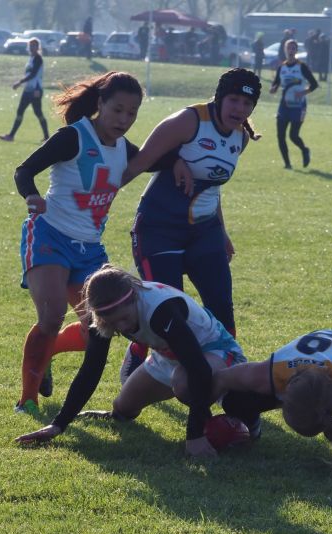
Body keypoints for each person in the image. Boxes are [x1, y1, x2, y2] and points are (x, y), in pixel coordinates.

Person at [10, 72, 149, 415]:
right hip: (50, 235)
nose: (124, 119)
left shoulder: (125, 150)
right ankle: (28, 399)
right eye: (117, 110)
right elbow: (24, 170)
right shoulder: (73, 137)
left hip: (89, 249)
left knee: (98, 332)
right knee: (52, 315)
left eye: (132, 113)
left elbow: (160, 156)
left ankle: (49, 351)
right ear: (100, 103)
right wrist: (31, 196)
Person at [118, 68, 262, 384]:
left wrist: (222, 231)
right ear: (220, 97)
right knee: (167, 312)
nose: (239, 109)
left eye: (247, 104)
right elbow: (138, 163)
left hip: (205, 232)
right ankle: (139, 356)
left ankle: (231, 379)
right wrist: (95, 204)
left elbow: (212, 186)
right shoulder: (188, 121)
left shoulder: (240, 137)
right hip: (159, 228)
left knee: (221, 307)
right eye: (234, 100)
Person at [15, 265, 246, 457]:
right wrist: (59, 424)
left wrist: (194, 435)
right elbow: (91, 369)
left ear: (134, 297)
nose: (122, 327)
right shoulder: (102, 317)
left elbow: (199, 369)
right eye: (114, 323)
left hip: (214, 351)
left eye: (124, 318)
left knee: (184, 383)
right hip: (167, 356)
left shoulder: (161, 309)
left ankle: (243, 413)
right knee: (122, 408)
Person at [213, 329, 332, 475]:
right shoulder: (266, 374)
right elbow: (220, 378)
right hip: (310, 364)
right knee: (235, 400)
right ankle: (252, 426)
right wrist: (200, 427)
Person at [270, 38, 319, 170]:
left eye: (293, 48)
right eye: (288, 48)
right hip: (284, 105)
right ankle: (287, 164)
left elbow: (314, 84)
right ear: (285, 50)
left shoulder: (302, 67)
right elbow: (275, 84)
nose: (290, 50)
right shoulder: (282, 67)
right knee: (280, 136)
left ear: (296, 50)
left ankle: (305, 150)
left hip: (298, 106)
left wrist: (303, 92)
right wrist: (273, 89)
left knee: (293, 135)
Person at [0, 37, 50, 143]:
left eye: (34, 46)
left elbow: (33, 74)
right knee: (21, 111)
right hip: (28, 89)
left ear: (38, 47)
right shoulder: (31, 58)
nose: (31, 48)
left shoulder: (38, 58)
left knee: (38, 112)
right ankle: (11, 136)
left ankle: (47, 137)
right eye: (30, 46)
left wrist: (19, 82)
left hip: (35, 90)